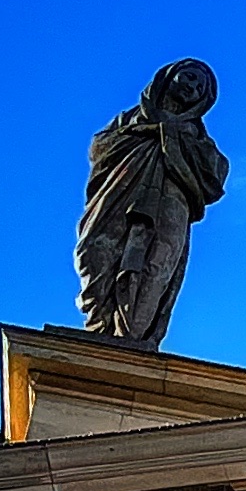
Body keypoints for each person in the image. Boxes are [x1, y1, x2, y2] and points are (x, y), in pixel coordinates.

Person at [73, 61, 226, 352]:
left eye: (200, 88)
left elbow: (215, 175)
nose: (192, 87)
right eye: (190, 77)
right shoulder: (131, 120)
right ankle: (100, 324)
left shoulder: (197, 139)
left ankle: (130, 338)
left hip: (171, 202)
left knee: (154, 267)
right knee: (93, 252)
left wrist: (175, 139)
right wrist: (149, 132)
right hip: (121, 190)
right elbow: (98, 149)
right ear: (168, 76)